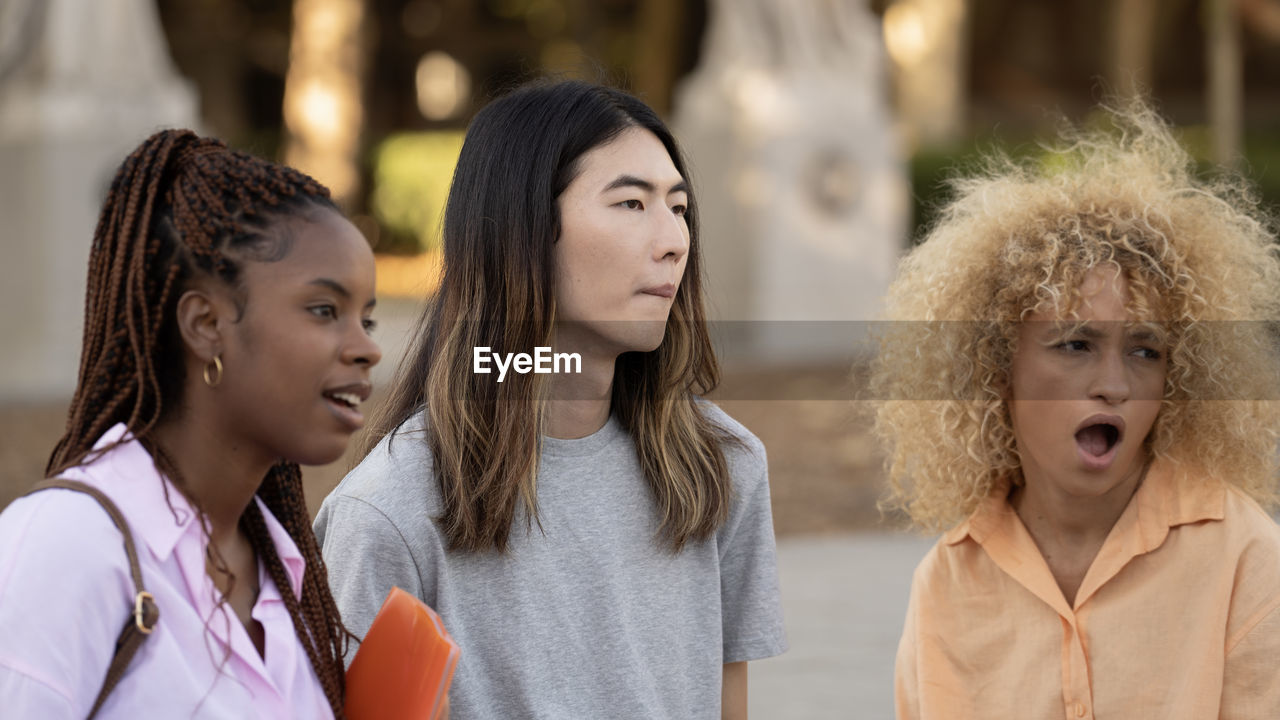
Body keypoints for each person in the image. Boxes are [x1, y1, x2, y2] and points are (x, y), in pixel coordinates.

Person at [313, 79, 787, 719]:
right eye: (629, 204)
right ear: (523, 230)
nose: (675, 240)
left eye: (679, 208)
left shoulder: (720, 466)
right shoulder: (387, 512)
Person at [874, 104, 1280, 719]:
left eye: (1146, 350)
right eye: (1076, 345)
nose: (1114, 385)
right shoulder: (949, 580)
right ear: (996, 363)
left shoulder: (1243, 556)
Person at [0, 129, 381, 718]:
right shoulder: (66, 545)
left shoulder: (285, 572)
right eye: (325, 310)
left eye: (368, 320)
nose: (365, 349)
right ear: (206, 324)